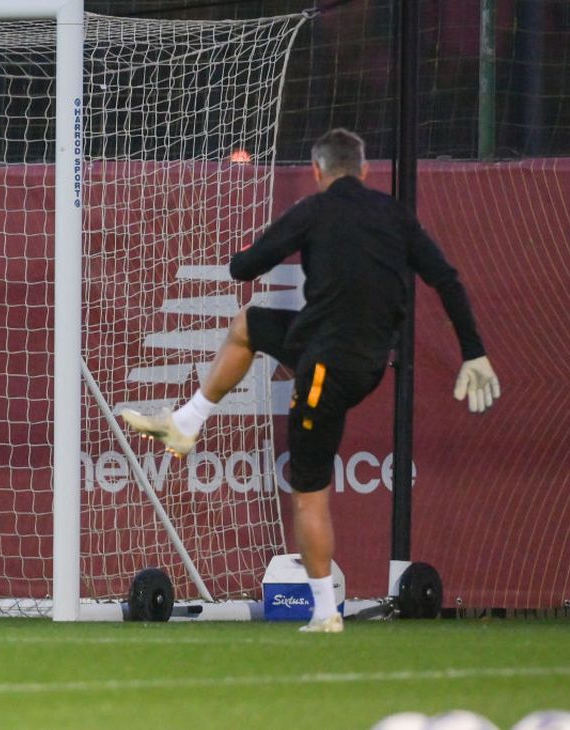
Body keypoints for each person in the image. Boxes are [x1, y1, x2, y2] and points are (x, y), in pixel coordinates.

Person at [121, 128, 500, 633]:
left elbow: (244, 268)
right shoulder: (395, 215)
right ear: (364, 171)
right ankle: (187, 421)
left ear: (318, 172)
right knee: (250, 325)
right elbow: (446, 278)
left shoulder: (314, 210)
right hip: (367, 362)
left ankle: (325, 613)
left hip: (325, 368)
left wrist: (256, 247)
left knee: (308, 491)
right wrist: (474, 352)